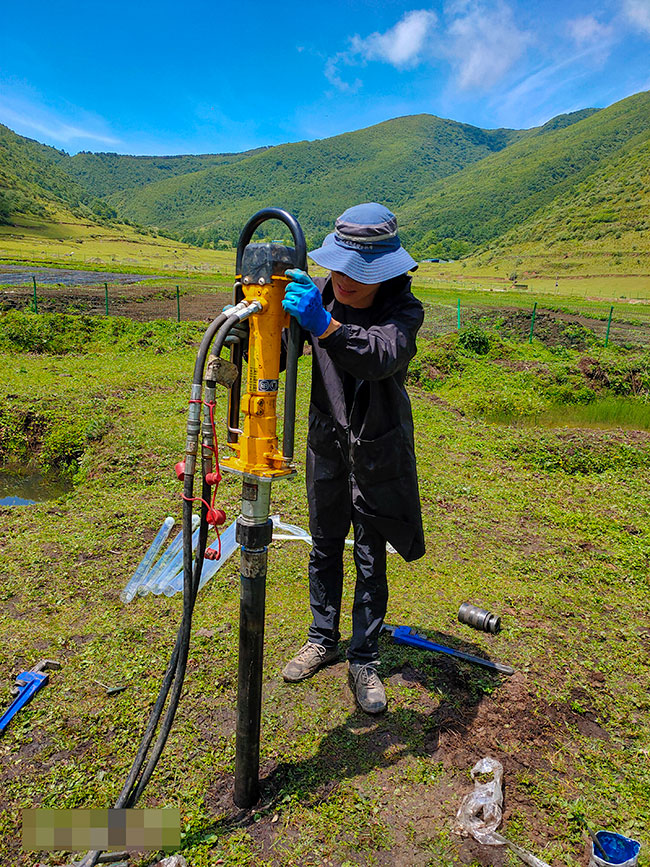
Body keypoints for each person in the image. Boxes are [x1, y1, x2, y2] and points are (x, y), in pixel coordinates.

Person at [280, 202, 425, 714]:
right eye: (337, 267)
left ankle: (363, 657)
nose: (341, 280)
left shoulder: (403, 310)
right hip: (326, 438)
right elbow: (282, 356)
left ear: (383, 272)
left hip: (377, 445)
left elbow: (380, 356)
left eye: (356, 272)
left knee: (369, 551)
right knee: (323, 542)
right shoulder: (321, 294)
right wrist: (269, 320)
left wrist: (325, 327)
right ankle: (322, 638)